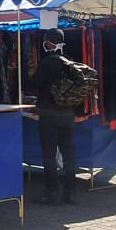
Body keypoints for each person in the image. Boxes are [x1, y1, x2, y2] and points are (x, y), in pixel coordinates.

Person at [30, 28, 78, 205]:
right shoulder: (70, 62)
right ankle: (70, 192)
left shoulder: (47, 63)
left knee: (49, 154)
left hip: (49, 115)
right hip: (68, 114)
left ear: (48, 42)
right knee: (68, 153)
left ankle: (51, 192)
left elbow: (35, 84)